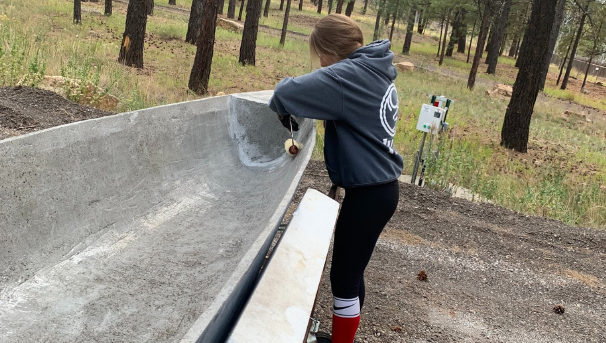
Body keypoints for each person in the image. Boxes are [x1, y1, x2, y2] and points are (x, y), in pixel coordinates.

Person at [268, 14, 403, 343]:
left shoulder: (348, 76)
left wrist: (285, 105)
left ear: (328, 51)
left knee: (343, 278)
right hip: (379, 190)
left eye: (319, 56)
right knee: (352, 273)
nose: (319, 64)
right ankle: (345, 337)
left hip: (369, 194)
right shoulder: (373, 68)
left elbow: (286, 91)